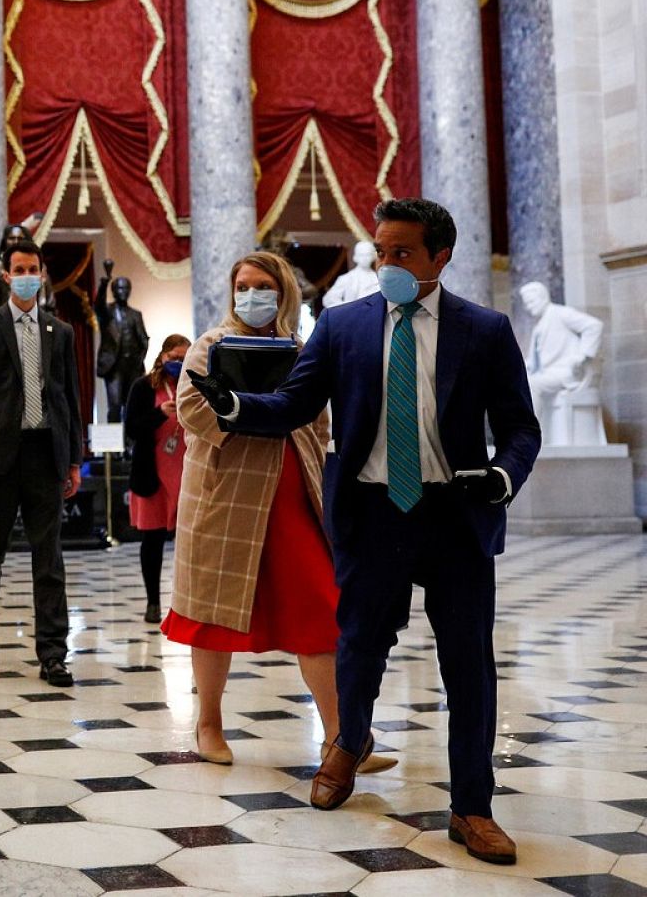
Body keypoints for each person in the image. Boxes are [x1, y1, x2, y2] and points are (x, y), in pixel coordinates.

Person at [190, 199, 541, 865]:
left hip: (454, 515)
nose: (387, 264)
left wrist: (502, 476)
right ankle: (346, 745)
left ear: (440, 257)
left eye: (402, 253)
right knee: (358, 647)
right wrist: (234, 406)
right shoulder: (344, 326)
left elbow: (522, 428)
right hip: (372, 513)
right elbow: (295, 402)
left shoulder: (485, 330)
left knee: (469, 666)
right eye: (381, 251)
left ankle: (472, 806)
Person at [168, 251, 398, 776]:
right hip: (226, 496)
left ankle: (340, 738)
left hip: (294, 495)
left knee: (320, 609)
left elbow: (318, 419)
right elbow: (192, 410)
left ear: (282, 292)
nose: (251, 295)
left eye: (262, 285)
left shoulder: (301, 348)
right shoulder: (211, 345)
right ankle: (208, 723)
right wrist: (251, 416)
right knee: (211, 613)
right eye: (242, 286)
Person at [0, 239, 82, 687]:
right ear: (8, 276)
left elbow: (69, 399)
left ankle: (53, 652)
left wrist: (73, 460)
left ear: (42, 274)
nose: (28, 274)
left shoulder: (59, 332)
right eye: (19, 268)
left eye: (34, 267)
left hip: (45, 453)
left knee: (48, 559)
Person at [123, 334, 190, 624]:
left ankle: (187, 603)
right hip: (153, 474)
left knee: (189, 544)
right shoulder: (144, 386)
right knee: (152, 541)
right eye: (173, 357)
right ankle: (153, 602)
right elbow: (132, 429)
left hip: (187, 473)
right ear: (163, 356)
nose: (177, 363)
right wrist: (159, 414)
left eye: (183, 358)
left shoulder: (194, 384)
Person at [519, 280, 603, 436]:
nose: (529, 307)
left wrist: (583, 355)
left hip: (566, 371)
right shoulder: (539, 326)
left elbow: (594, 325)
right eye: (526, 304)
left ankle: (529, 433)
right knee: (516, 384)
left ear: (543, 297)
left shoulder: (561, 313)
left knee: (532, 384)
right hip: (548, 373)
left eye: (531, 301)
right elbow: (534, 360)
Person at [96, 270, 149, 422]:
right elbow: (99, 304)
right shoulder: (107, 312)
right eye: (119, 288)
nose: (123, 291)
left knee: (132, 406)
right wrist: (104, 283)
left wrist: (140, 360)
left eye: (126, 288)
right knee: (115, 405)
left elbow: (143, 339)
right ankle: (114, 444)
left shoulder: (135, 314)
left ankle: (129, 442)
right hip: (114, 367)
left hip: (133, 366)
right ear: (113, 291)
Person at [321, 240, 379, 310]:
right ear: (355, 257)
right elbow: (328, 299)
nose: (365, 258)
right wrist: (347, 307)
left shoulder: (378, 279)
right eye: (361, 255)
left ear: (373, 257)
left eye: (368, 255)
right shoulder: (346, 278)